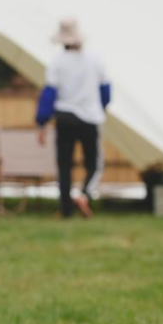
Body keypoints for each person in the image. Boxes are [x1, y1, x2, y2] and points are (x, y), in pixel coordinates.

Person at [34, 18, 111, 219]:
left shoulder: (57, 62)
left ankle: (65, 209)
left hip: (65, 116)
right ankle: (85, 193)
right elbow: (106, 91)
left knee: (64, 165)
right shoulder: (95, 59)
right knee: (93, 162)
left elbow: (49, 94)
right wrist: (99, 108)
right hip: (90, 118)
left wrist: (42, 123)